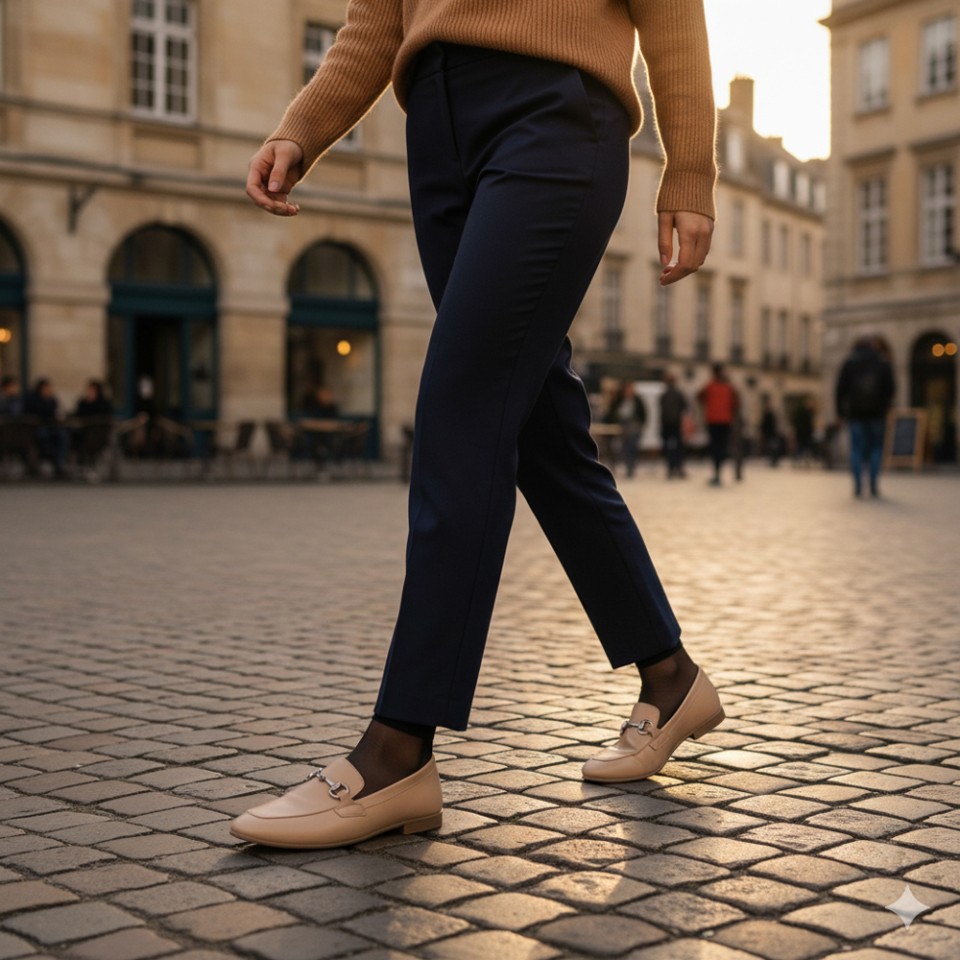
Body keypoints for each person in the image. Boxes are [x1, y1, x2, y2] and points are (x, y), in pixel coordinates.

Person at [233, 0, 724, 849]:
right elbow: (376, 19)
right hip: (438, 125)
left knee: (461, 405)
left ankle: (400, 748)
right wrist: (303, 126)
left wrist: (691, 171)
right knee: (539, 432)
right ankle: (670, 675)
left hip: (556, 115)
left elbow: (673, 12)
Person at [835, 336, 895, 497]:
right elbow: (891, 389)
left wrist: (840, 413)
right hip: (877, 414)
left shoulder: (850, 363)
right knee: (876, 448)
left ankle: (858, 485)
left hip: (855, 414)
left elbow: (840, 390)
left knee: (856, 449)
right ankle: (874, 484)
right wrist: (886, 407)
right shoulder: (882, 362)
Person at [698, 363, 739, 486]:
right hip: (725, 421)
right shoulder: (728, 386)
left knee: (715, 448)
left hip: (713, 421)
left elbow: (699, 397)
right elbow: (736, 402)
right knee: (722, 447)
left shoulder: (710, 386)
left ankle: (717, 473)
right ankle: (720, 471)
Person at [24, 378, 68, 478]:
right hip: (37, 428)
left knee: (62, 435)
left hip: (52, 427)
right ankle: (51, 458)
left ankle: (59, 463)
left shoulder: (52, 400)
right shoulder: (33, 400)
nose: (49, 390)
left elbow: (57, 413)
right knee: (42, 435)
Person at [606, 381, 647, 478]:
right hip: (622, 428)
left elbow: (643, 414)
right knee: (625, 448)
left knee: (632, 447)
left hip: (634, 427)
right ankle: (628, 467)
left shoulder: (638, 400)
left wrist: (641, 426)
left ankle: (631, 468)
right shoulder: (619, 400)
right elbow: (612, 412)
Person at [659, 372, 688, 479]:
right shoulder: (678, 394)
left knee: (669, 448)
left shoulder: (664, 395)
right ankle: (678, 468)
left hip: (668, 424)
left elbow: (661, 411)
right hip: (676, 424)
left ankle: (671, 468)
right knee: (678, 448)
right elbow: (685, 407)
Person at [758, 396, 782, 467]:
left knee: (772, 448)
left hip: (770, 434)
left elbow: (764, 425)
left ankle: (773, 460)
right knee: (772, 448)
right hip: (770, 434)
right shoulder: (769, 415)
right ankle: (773, 460)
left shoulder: (768, 415)